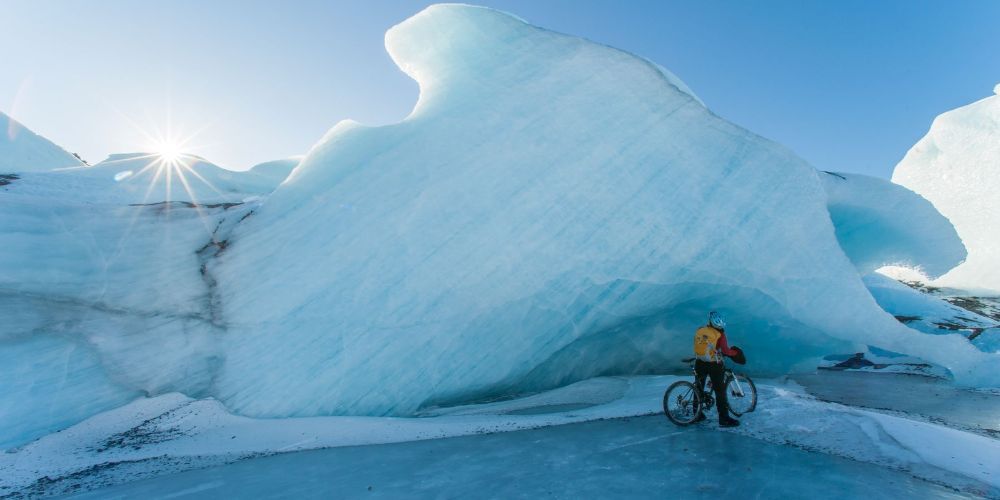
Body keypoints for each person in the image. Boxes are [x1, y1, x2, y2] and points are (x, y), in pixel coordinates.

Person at [692, 311, 741, 427]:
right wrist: (736, 353)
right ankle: (724, 419)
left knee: (698, 388)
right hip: (714, 364)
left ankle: (696, 414)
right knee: (720, 392)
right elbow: (725, 351)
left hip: (699, 362)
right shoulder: (720, 334)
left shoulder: (701, 330)